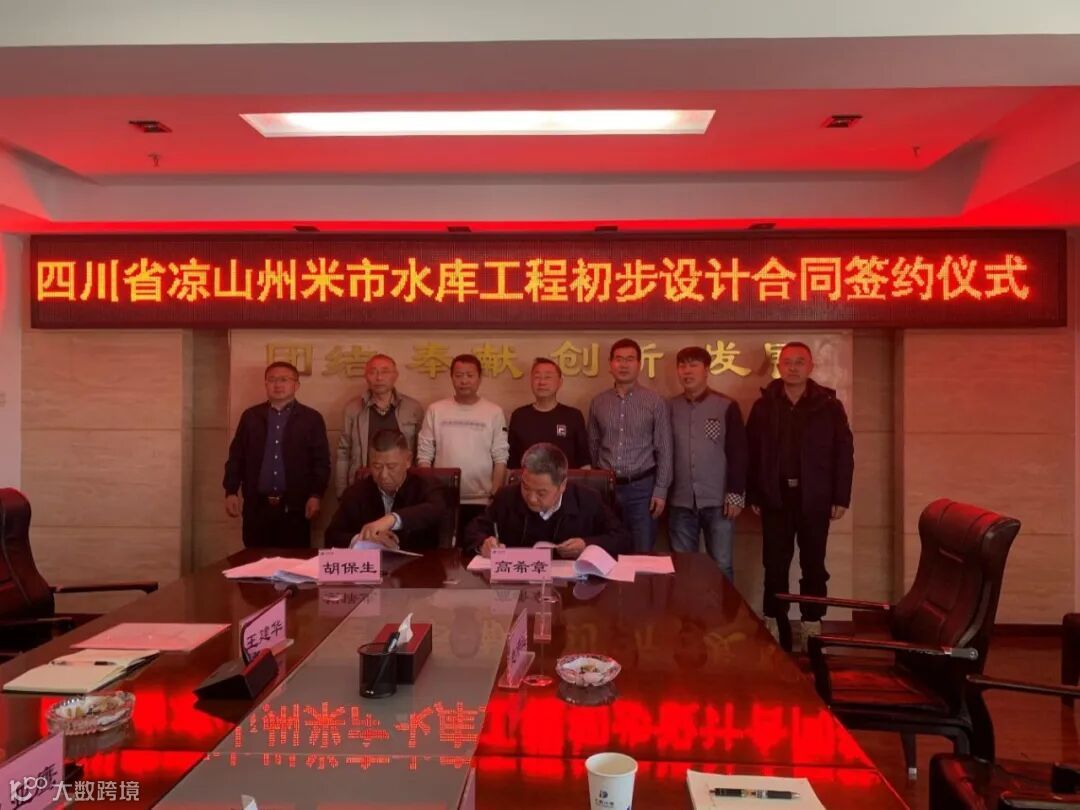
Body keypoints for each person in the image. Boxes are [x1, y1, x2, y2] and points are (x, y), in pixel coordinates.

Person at [746, 341, 854, 647]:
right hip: (775, 498)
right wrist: (754, 494)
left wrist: (840, 497)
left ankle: (811, 623)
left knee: (814, 566)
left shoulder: (828, 406)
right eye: (787, 362)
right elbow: (751, 453)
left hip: (815, 499)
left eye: (799, 362)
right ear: (779, 366)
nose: (792, 368)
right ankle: (774, 621)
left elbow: (844, 454)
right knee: (774, 566)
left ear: (811, 367)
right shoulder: (764, 405)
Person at [223, 361, 330, 548]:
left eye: (284, 380)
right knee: (254, 560)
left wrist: (316, 495)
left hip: (295, 508)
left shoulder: (311, 418)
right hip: (257, 507)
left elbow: (321, 462)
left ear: (296, 385)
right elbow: (236, 457)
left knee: (294, 561)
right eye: (272, 380)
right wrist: (231, 491)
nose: (277, 384)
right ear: (265, 384)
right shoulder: (251, 417)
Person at [465, 443, 630, 558]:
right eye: (526, 487)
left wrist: (586, 545)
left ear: (562, 485)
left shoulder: (588, 500)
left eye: (541, 493)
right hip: (519, 586)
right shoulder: (506, 497)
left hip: (571, 589)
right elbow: (472, 530)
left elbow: (623, 539)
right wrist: (483, 544)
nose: (531, 498)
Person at [668, 346, 748, 582]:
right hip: (680, 501)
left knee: (721, 565)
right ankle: (687, 608)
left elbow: (738, 453)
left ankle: (723, 609)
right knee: (683, 567)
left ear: (706, 370)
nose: (687, 371)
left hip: (718, 501)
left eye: (693, 365)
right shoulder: (669, 407)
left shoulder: (726, 405)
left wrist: (735, 494)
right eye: (682, 366)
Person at [588, 338, 672, 553]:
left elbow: (664, 449)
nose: (624, 365)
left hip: (642, 489)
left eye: (630, 359)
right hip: (606, 489)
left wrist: (661, 491)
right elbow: (593, 445)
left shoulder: (655, 401)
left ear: (639, 364)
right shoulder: (598, 402)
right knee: (606, 551)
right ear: (610, 364)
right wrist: (597, 481)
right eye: (618, 359)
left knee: (641, 553)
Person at [416, 353, 509, 543]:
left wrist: (495, 492)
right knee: (443, 552)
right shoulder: (436, 409)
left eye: (470, 375)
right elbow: (424, 455)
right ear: (451, 378)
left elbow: (500, 456)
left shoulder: (494, 412)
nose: (464, 381)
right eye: (459, 375)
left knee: (477, 548)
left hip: (481, 499)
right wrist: (430, 491)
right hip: (442, 499)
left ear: (479, 378)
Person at [325, 429, 444, 551]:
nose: (384, 475)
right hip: (371, 562)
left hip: (419, 561)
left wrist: (392, 519)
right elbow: (331, 536)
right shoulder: (357, 492)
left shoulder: (426, 486)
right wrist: (362, 539)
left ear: (408, 460)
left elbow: (437, 510)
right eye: (377, 466)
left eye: (391, 466)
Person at [335, 354, 424, 497]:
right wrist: (342, 492)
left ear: (395, 375)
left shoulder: (413, 408)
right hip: (363, 487)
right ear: (366, 376)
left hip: (404, 487)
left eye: (385, 371)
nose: (379, 377)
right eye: (373, 372)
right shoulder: (353, 409)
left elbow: (422, 452)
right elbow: (343, 453)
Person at [507, 357, 590, 469]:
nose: (542, 382)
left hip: (565, 480)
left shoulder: (574, 416)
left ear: (560, 382)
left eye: (547, 377)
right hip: (527, 480)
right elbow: (511, 462)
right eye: (537, 377)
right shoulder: (519, 416)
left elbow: (584, 461)